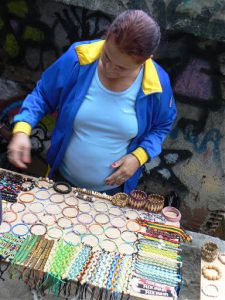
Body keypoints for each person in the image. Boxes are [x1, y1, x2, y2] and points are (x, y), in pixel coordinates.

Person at [8, 10, 176, 195]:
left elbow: (162, 125)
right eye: (106, 57)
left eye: (121, 68)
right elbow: (42, 96)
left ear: (145, 60)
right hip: (61, 182)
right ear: (106, 37)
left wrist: (139, 156)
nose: (110, 70)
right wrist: (22, 130)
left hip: (114, 194)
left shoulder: (157, 84)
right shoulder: (78, 58)